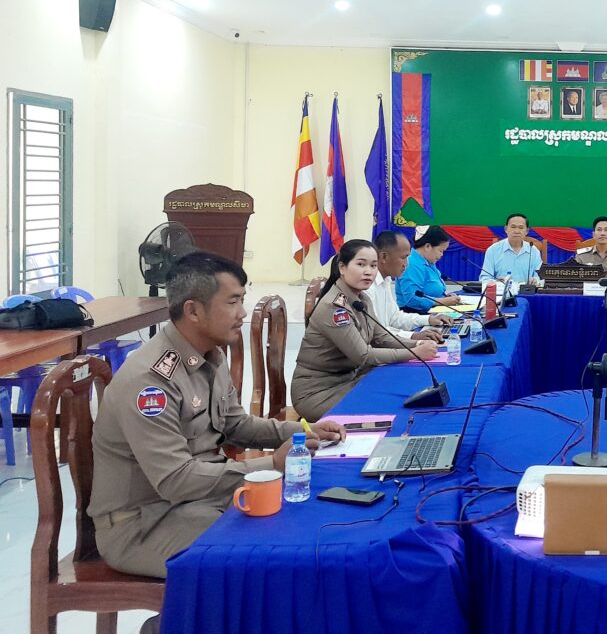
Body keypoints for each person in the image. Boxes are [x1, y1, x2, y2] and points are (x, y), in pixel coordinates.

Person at [89, 251, 346, 581]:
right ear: (193, 311)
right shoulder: (150, 383)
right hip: (145, 525)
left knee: (310, 512)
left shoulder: (209, 355)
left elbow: (235, 424)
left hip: (200, 501)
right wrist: (271, 464)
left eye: (242, 301)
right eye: (233, 302)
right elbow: (175, 480)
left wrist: (300, 432)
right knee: (278, 554)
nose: (242, 313)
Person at [292, 240, 437, 420]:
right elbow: (363, 356)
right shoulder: (334, 308)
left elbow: (381, 337)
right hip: (319, 393)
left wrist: (418, 343)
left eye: (373, 265)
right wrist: (414, 353)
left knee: (400, 385)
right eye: (361, 264)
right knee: (391, 404)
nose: (368, 271)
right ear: (342, 267)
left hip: (349, 379)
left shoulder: (361, 299)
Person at [365, 231, 453, 342]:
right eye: (403, 258)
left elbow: (395, 318)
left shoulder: (385, 280)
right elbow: (376, 333)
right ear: (384, 257)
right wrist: (412, 336)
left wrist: (429, 319)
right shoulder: (367, 287)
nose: (406, 264)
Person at [395, 225, 462, 312]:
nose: (442, 255)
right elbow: (412, 299)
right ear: (427, 246)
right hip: (415, 315)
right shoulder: (411, 264)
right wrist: (443, 301)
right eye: (441, 251)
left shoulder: (428, 262)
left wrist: (447, 297)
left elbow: (432, 291)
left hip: (432, 313)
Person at [480, 213, 542, 283]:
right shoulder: (493, 250)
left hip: (526, 290)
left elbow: (540, 278)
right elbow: (485, 278)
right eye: (513, 227)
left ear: (527, 231)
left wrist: (535, 280)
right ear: (506, 229)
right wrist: (496, 282)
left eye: (521, 227)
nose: (516, 231)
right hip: (502, 289)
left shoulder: (534, 251)